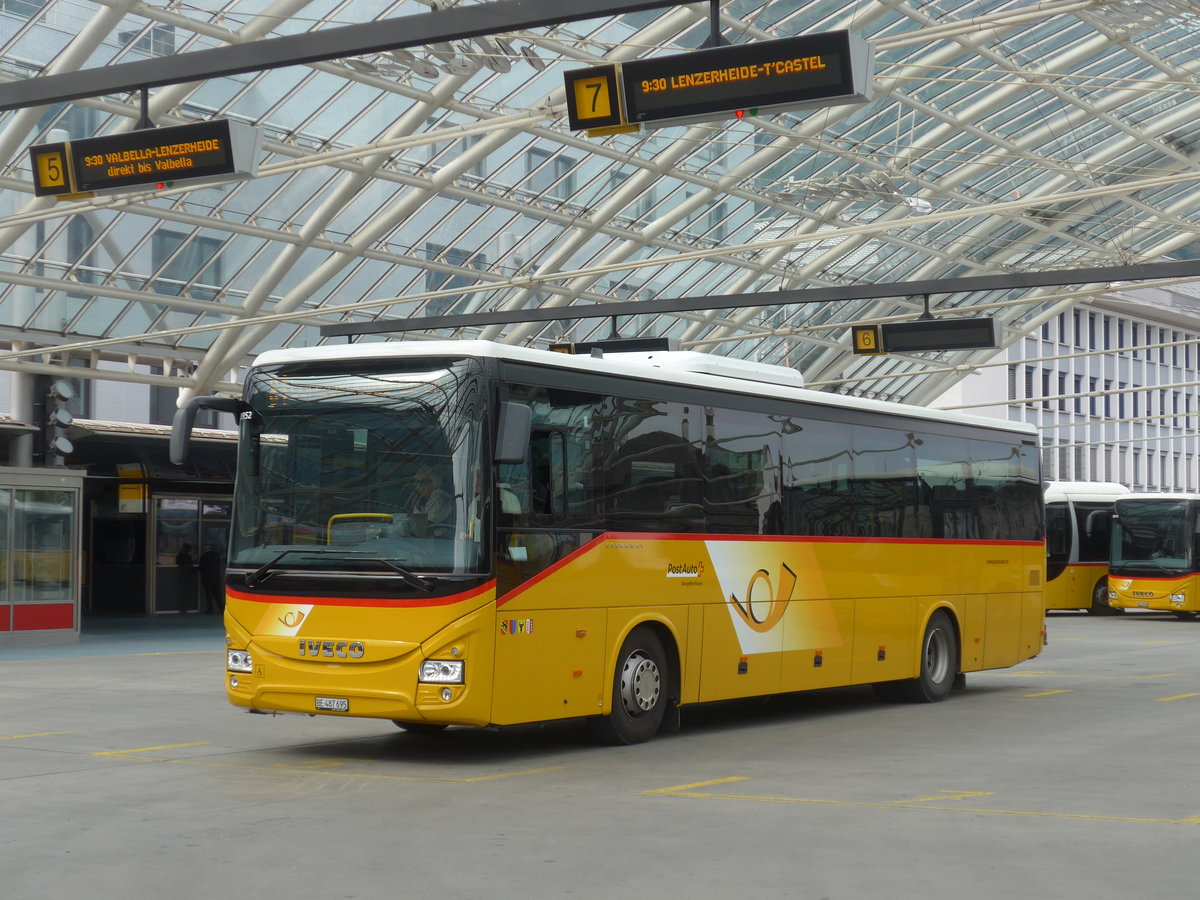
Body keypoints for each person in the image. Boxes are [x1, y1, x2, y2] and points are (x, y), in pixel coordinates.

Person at [410, 465, 452, 535]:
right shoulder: (422, 499)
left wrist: (416, 511)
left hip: (438, 541)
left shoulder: (441, 499)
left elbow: (428, 524)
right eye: (418, 483)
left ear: (434, 482)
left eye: (423, 482)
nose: (419, 487)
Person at [198, 544, 224, 615]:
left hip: (207, 578)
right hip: (216, 578)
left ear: (204, 549)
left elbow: (201, 567)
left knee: (208, 594)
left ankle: (210, 610)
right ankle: (222, 609)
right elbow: (219, 564)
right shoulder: (216, 555)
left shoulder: (203, 557)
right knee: (218, 594)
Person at [175, 543, 197, 612]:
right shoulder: (185, 556)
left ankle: (183, 607)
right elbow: (190, 566)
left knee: (183, 593)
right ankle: (183, 608)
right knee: (185, 593)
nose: (190, 550)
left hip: (184, 577)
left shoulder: (181, 555)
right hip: (186, 577)